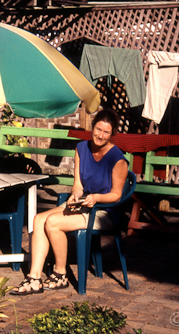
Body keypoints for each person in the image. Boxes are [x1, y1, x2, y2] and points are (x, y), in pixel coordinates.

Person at [12, 108, 128, 294]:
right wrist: (76, 194)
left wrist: (97, 198)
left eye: (106, 132)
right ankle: (34, 278)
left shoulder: (118, 159)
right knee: (38, 219)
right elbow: (78, 184)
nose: (101, 135)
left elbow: (116, 195)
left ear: (112, 133)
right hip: (83, 204)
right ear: (92, 127)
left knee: (53, 222)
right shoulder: (81, 148)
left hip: (104, 210)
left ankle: (61, 273)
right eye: (98, 129)